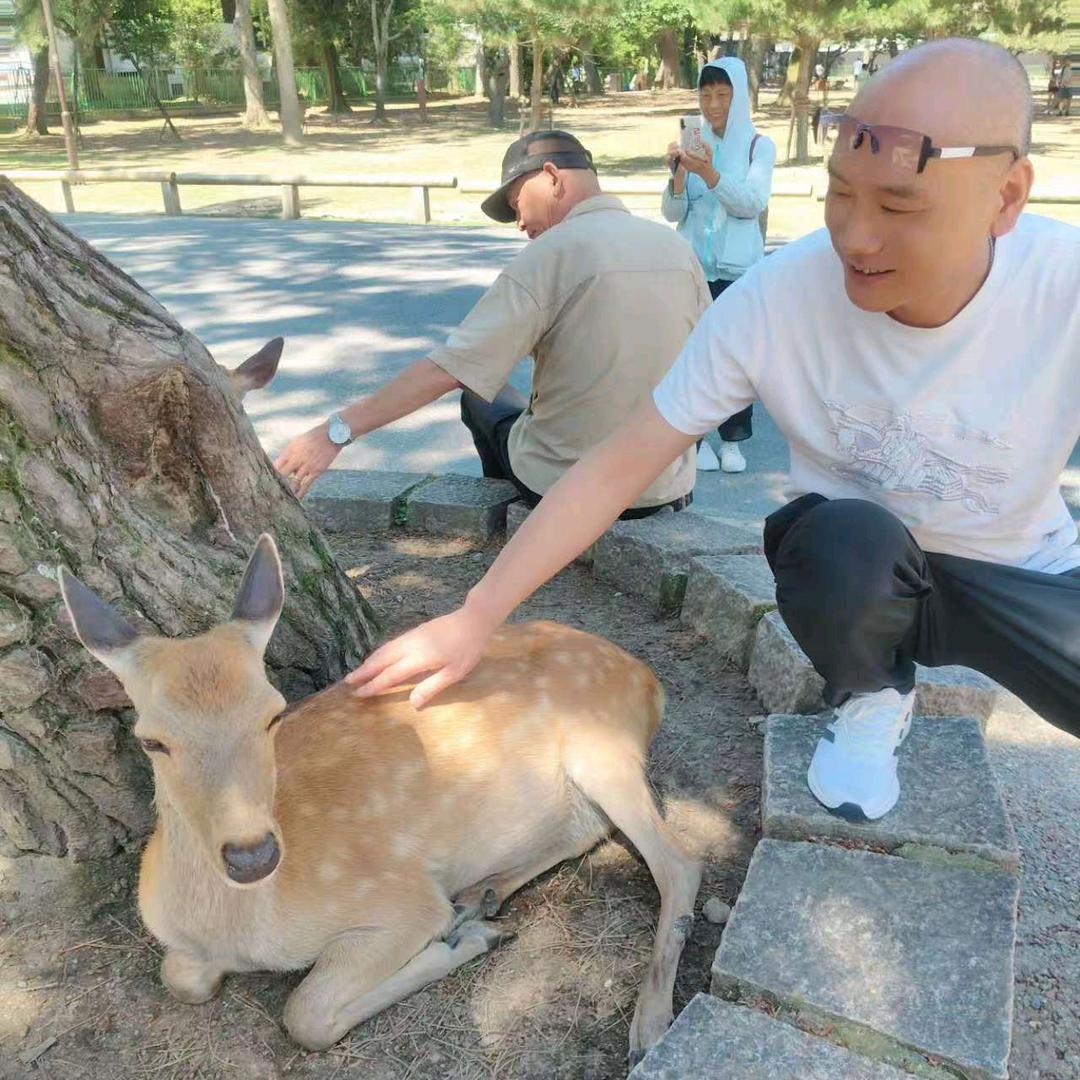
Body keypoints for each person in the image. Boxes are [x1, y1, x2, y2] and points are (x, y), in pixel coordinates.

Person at [345, 39, 1080, 826]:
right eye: (839, 195)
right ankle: (869, 693)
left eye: (899, 207)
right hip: (861, 572)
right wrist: (476, 616)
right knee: (839, 541)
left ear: (1007, 196)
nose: (856, 238)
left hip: (1023, 571)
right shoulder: (774, 300)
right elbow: (616, 465)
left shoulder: (1062, 285)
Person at [274, 129, 707, 520]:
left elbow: (451, 368)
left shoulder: (551, 252)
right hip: (663, 485)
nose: (519, 222)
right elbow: (712, 366)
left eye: (518, 202)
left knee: (481, 398)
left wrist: (334, 433)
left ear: (552, 177)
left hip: (568, 489)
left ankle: (517, 527)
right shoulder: (677, 248)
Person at [662, 57, 775, 474]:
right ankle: (695, 441)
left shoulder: (757, 147)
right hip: (692, 268)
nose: (713, 104)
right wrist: (677, 176)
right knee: (689, 356)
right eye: (706, 94)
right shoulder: (694, 142)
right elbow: (674, 213)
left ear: (739, 96)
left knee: (733, 359)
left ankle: (732, 439)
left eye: (723, 94)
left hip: (736, 272)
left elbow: (751, 203)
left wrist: (708, 172)